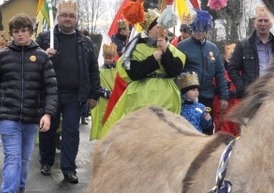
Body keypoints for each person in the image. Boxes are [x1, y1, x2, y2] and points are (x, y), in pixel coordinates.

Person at [0, 13, 57, 193]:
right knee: (12, 156)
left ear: (30, 32)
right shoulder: (3, 56)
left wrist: (47, 113)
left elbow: (51, 88)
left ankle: (18, 191)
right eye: (16, 31)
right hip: (8, 116)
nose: (20, 35)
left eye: (24, 31)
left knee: (24, 158)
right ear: (11, 33)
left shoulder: (42, 57)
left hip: (31, 117)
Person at [36, 0, 101, 184]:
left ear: (76, 19)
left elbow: (93, 69)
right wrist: (43, 55)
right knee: (48, 130)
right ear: (58, 17)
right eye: (64, 15)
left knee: (71, 132)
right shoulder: (44, 39)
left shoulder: (85, 42)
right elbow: (32, 60)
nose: (67, 19)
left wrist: (94, 94)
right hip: (51, 94)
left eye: (71, 16)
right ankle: (46, 162)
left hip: (75, 95)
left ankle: (68, 168)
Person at [100, 8, 186, 139]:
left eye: (163, 26)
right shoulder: (136, 47)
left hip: (166, 99)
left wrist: (165, 52)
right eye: (158, 26)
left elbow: (174, 71)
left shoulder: (170, 48)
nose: (162, 30)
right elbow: (133, 72)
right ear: (150, 29)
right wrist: (153, 59)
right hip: (141, 98)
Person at [174, 10, 228, 134]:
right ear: (192, 28)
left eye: (202, 29)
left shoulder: (213, 48)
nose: (199, 32)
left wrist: (224, 96)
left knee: (207, 130)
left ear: (207, 30)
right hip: (187, 100)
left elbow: (220, 73)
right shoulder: (182, 46)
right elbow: (176, 72)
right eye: (196, 29)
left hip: (207, 97)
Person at [227, 5, 274, 99]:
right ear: (255, 23)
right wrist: (242, 88)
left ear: (271, 24)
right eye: (260, 20)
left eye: (266, 21)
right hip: (252, 96)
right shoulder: (243, 45)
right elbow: (232, 68)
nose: (263, 24)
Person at [89, 43, 117, 141]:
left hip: (116, 100)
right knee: (103, 119)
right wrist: (106, 92)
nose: (108, 60)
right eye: (106, 58)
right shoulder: (99, 70)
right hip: (104, 100)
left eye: (110, 58)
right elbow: (96, 85)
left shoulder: (118, 71)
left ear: (114, 57)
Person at [212, 43, 240, 136]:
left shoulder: (241, 72)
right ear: (225, 56)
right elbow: (214, 85)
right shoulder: (220, 71)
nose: (231, 58)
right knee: (222, 128)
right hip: (222, 105)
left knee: (236, 128)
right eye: (229, 55)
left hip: (236, 105)